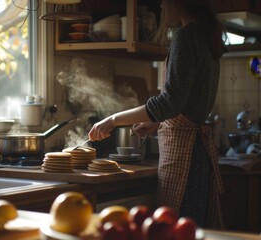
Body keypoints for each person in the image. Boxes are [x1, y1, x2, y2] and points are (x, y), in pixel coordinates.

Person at [88, 0, 226, 229]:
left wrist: (113, 120)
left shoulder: (186, 36)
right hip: (198, 154)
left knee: (174, 230)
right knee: (191, 231)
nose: (162, 7)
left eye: (164, 2)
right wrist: (158, 124)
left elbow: (169, 102)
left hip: (186, 153)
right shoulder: (207, 36)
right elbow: (186, 104)